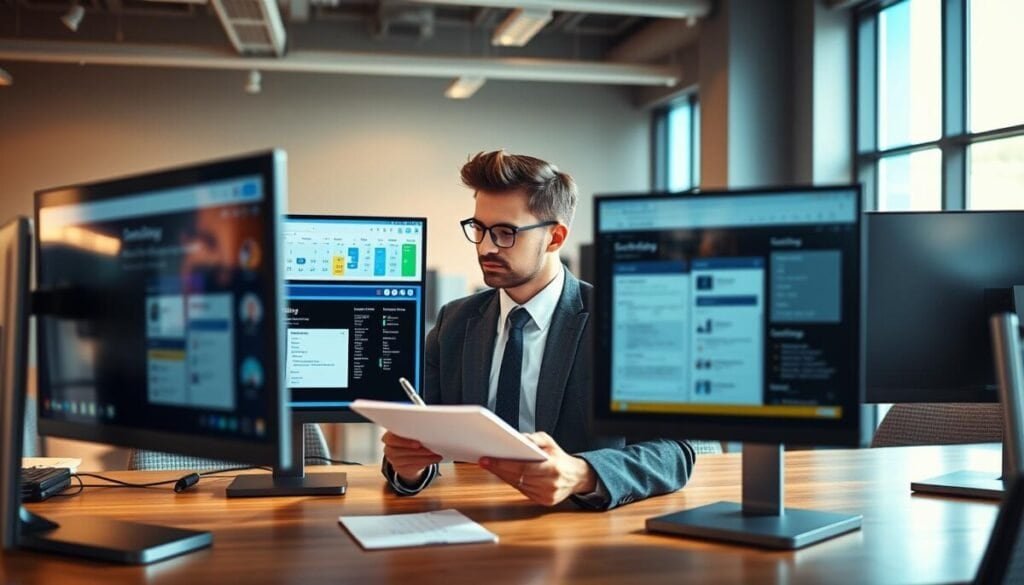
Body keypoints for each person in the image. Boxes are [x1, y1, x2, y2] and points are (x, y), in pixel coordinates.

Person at [381, 150, 695, 509]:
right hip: (473, 520)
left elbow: (675, 453)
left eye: (505, 233)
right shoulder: (453, 324)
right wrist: (409, 469)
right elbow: (418, 446)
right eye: (479, 229)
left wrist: (581, 472)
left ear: (555, 238)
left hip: (582, 526)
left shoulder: (623, 323)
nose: (485, 247)